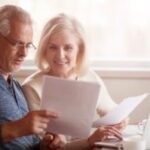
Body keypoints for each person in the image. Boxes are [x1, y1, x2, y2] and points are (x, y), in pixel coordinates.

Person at [22, 13, 124, 149]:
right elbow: (40, 146)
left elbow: (112, 110)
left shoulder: (89, 76)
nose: (60, 55)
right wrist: (89, 141)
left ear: (79, 50)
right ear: (44, 49)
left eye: (68, 48)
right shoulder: (31, 88)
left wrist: (121, 120)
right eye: (53, 47)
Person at [0, 5, 66, 150]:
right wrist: (15, 129)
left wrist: (44, 145)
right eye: (17, 43)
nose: (24, 53)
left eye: (28, 45)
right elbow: (17, 130)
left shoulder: (16, 87)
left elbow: (26, 143)